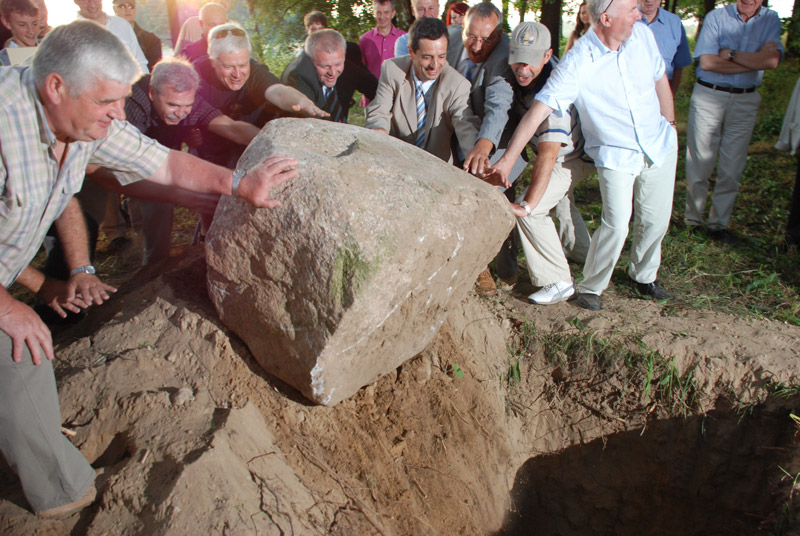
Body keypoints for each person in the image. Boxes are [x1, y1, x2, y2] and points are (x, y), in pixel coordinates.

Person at [0, 19, 298, 519]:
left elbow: (162, 164)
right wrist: (9, 307)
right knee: (21, 346)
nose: (120, 115)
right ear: (56, 86)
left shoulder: (81, 121)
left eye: (122, 99)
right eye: (107, 102)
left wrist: (241, 183)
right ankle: (64, 492)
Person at [489, 0, 678, 311]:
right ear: (605, 18)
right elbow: (539, 112)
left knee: (656, 221)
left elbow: (659, 77)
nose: (639, 14)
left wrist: (670, 125)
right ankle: (592, 286)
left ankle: (643, 275)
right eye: (630, 10)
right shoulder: (578, 61)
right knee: (617, 224)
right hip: (615, 153)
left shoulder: (642, 35)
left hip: (658, 142)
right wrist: (508, 160)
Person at [122, 57, 260, 265]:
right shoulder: (130, 104)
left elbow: (230, 127)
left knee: (161, 207)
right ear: (152, 92)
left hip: (162, 158)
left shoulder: (189, 101)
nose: (180, 112)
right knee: (158, 207)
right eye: (172, 105)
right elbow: (125, 169)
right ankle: (151, 269)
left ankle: (149, 256)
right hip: (116, 161)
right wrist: (176, 193)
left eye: (187, 106)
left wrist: (270, 140)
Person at [505, 21, 594, 305]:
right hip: (563, 153)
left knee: (533, 210)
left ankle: (558, 281)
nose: (523, 68)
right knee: (562, 202)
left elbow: (549, 155)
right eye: (518, 59)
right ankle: (586, 255)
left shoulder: (555, 94)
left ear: (547, 56)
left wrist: (529, 203)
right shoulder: (515, 77)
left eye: (531, 62)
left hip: (574, 156)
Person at [684, 0, 782, 243]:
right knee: (699, 162)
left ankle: (718, 225)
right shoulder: (717, 17)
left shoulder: (770, 19)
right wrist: (754, 59)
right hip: (709, 95)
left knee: (732, 165)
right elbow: (707, 62)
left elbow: (771, 62)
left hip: (746, 100)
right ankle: (692, 221)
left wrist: (730, 54)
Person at [448, 2, 526, 292]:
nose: (477, 46)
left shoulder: (505, 53)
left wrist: (484, 144)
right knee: (463, 199)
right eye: (471, 36)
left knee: (499, 194)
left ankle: (506, 267)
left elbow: (499, 104)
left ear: (499, 35)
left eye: (486, 39)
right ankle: (476, 266)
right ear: (462, 28)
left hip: (499, 131)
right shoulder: (450, 37)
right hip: (456, 126)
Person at [192, 23, 326, 167]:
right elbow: (232, 129)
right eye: (228, 66)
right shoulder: (193, 80)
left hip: (254, 148)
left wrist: (301, 100)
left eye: (243, 65)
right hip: (213, 157)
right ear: (213, 62)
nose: (237, 74)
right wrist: (276, 144)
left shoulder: (254, 70)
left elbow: (278, 91)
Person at [365, 17, 479, 163]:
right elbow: (379, 111)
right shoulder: (392, 70)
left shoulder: (458, 84)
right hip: (395, 161)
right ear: (411, 53)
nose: (435, 65)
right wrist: (377, 135)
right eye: (427, 57)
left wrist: (476, 156)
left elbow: (465, 125)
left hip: (437, 168)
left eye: (441, 56)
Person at [282, 29, 377, 124]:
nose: (332, 72)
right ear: (311, 60)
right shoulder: (298, 76)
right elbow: (309, 126)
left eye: (338, 64)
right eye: (325, 66)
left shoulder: (344, 61)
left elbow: (375, 89)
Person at [74, 0, 148, 74]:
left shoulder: (122, 24)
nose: (92, 5)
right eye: (85, 1)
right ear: (76, 1)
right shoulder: (73, 34)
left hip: (132, 83)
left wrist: (144, 82)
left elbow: (139, 61)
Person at [637, 0, 691, 95]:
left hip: (662, 90)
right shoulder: (624, 18)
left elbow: (679, 65)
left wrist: (670, 95)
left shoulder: (675, 22)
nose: (649, 0)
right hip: (629, 89)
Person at [359, 0, 405, 83]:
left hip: (397, 93)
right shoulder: (365, 40)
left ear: (393, 13)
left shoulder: (405, 38)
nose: (382, 16)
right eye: (378, 12)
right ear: (374, 13)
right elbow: (360, 71)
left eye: (386, 12)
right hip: (372, 93)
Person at [112, 0, 162, 72]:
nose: (127, 10)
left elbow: (153, 71)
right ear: (114, 9)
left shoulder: (151, 40)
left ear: (135, 10)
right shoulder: (106, 38)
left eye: (131, 6)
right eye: (122, 6)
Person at [0, 0, 38, 66]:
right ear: (7, 23)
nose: (31, 31)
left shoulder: (50, 49)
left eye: (35, 23)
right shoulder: (3, 60)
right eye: (22, 25)